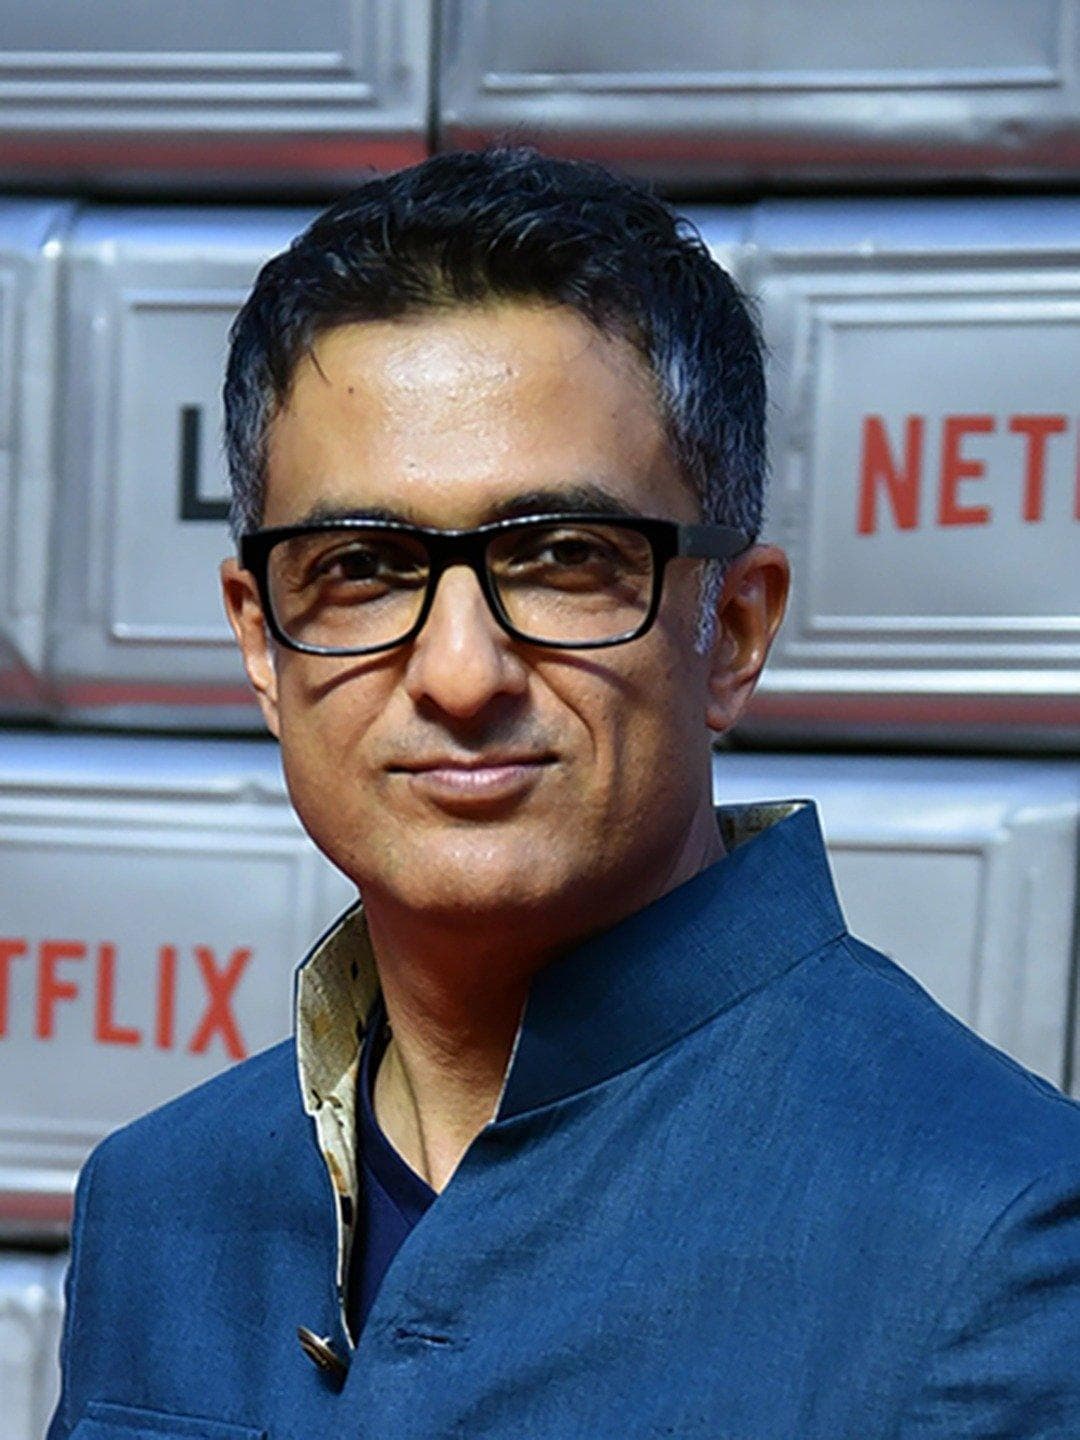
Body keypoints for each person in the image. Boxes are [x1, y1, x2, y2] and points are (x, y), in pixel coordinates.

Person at [49, 149, 1080, 1440]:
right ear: (262, 644)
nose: (459, 674)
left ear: (733, 630)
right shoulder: (156, 1203)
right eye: (363, 567)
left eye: (562, 558)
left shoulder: (998, 1235)